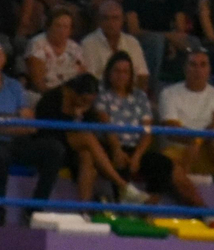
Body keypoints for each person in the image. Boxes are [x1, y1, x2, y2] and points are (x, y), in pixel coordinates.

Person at [0, 39, 64, 219]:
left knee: (54, 149)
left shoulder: (14, 86)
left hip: (12, 141)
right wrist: (13, 121)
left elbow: (29, 125)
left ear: (3, 59)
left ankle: (35, 208)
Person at [35, 72, 148, 203]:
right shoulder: (51, 99)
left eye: (90, 102)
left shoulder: (86, 105)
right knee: (86, 138)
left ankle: (84, 210)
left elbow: (91, 126)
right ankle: (122, 185)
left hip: (72, 149)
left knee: (87, 155)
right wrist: (75, 118)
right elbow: (47, 130)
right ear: (73, 93)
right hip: (50, 144)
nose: (86, 105)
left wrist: (80, 115)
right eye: (84, 101)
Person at [97, 50, 186, 203]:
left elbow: (147, 130)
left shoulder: (140, 96)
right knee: (118, 163)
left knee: (163, 164)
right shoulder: (102, 95)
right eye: (117, 71)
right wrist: (117, 150)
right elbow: (106, 126)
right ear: (109, 73)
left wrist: (137, 155)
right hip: (112, 146)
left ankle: (150, 205)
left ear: (131, 75)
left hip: (136, 148)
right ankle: (120, 206)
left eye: (125, 72)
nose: (121, 75)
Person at [158, 46, 214, 184]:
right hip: (178, 150)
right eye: (193, 65)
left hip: (209, 150)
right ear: (185, 68)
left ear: (209, 70)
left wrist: (197, 141)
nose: (198, 70)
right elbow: (172, 130)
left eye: (203, 65)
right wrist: (194, 141)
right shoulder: (168, 94)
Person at [81, 0, 150, 90]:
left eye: (115, 18)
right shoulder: (88, 43)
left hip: (130, 94)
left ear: (122, 20)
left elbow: (142, 75)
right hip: (101, 95)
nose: (111, 23)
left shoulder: (132, 42)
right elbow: (90, 79)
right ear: (99, 20)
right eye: (106, 18)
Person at [24, 6, 87, 93]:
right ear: (49, 26)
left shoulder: (75, 48)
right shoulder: (37, 44)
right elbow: (38, 83)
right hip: (45, 94)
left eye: (66, 27)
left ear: (70, 30)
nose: (61, 30)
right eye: (58, 26)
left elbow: (82, 76)